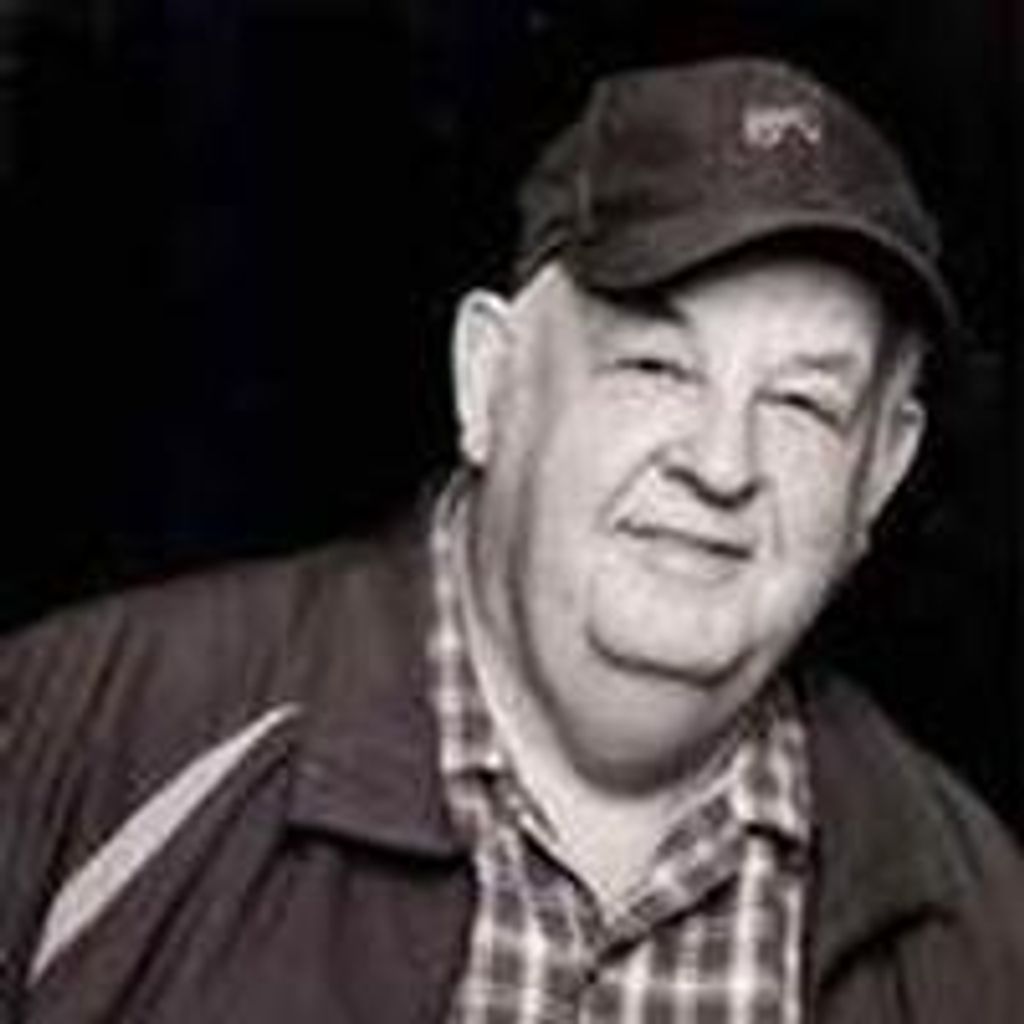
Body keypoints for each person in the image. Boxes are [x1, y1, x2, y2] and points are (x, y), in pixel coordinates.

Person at [1, 56, 1022, 1024]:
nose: (721, 464)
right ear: (487, 381)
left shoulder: (984, 929)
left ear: (879, 472)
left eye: (801, 403)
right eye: (654, 366)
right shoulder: (82, 745)